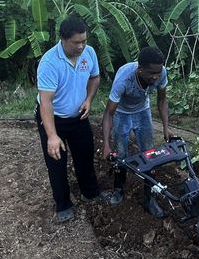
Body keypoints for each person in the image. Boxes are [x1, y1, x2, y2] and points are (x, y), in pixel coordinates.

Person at [36, 15, 105, 223]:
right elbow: (45, 102)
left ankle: (90, 192)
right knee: (56, 163)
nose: (81, 46)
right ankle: (63, 204)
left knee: (85, 155)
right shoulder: (49, 62)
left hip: (79, 117)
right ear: (63, 39)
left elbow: (95, 77)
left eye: (84, 40)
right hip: (53, 118)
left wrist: (89, 99)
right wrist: (52, 136)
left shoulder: (89, 53)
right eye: (76, 42)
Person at [101, 46, 171, 218]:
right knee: (121, 155)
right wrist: (107, 144)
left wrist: (165, 127)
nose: (155, 77)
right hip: (122, 114)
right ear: (140, 69)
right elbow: (109, 113)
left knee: (149, 154)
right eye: (151, 73)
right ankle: (118, 190)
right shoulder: (123, 79)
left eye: (158, 72)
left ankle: (149, 198)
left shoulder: (161, 73)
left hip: (142, 112)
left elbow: (162, 100)